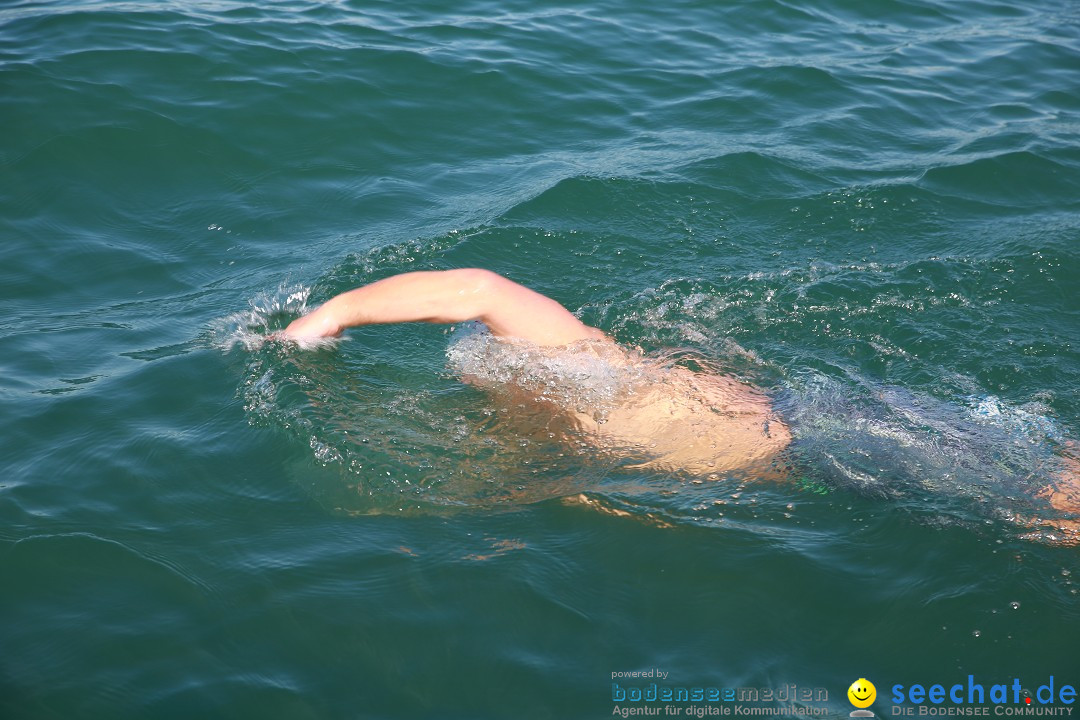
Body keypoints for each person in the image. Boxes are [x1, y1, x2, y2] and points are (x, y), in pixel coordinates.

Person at [283, 268, 1080, 540]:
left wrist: (335, 312)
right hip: (819, 413)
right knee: (1046, 473)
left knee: (1050, 505)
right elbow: (477, 293)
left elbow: (479, 290)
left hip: (813, 446)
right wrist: (339, 312)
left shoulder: (579, 379)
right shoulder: (591, 377)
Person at [283, 268, 792, 477]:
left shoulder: (575, 366)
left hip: (790, 451)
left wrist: (335, 312)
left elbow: (482, 288)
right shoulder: (579, 386)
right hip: (780, 431)